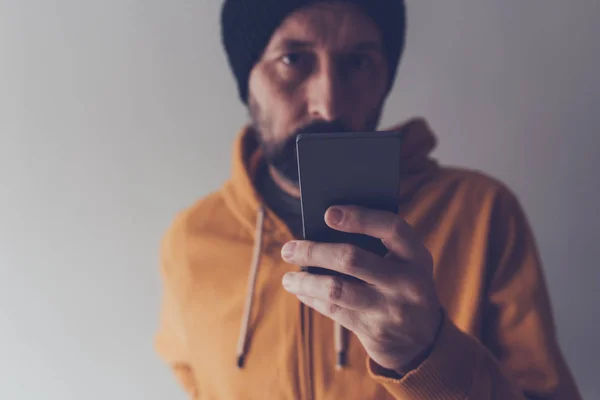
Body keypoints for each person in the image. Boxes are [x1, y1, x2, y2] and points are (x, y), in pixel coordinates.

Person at [154, 0, 581, 399]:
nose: (328, 103)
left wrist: (425, 355)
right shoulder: (190, 240)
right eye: (293, 59)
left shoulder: (482, 214)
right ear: (246, 76)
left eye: (357, 62)